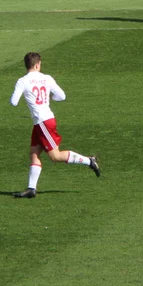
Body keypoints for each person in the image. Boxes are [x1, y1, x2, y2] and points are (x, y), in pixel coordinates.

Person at [10, 52, 100, 198]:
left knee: (55, 156)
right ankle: (31, 189)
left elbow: (13, 102)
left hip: (42, 121)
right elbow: (61, 96)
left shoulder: (22, 81)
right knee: (34, 153)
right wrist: (48, 98)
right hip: (43, 121)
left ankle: (89, 161)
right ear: (37, 64)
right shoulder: (47, 78)